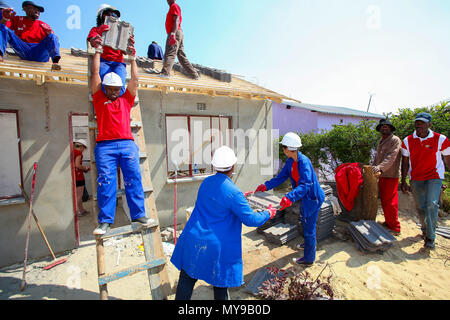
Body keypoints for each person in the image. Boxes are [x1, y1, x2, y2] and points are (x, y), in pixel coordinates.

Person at [171, 146, 277, 300]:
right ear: (233, 167)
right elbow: (251, 220)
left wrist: (240, 199)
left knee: (187, 278)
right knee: (220, 284)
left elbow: (216, 202)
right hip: (215, 247)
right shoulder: (234, 193)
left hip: (193, 239)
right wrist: (268, 213)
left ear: (214, 166)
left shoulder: (206, 183)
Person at [90, 35, 151, 236]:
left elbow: (135, 80)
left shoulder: (126, 99)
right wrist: (98, 51)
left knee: (133, 179)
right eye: (111, 90)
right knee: (106, 182)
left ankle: (139, 214)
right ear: (105, 89)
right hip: (105, 147)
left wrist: (133, 59)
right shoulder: (99, 98)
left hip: (127, 145)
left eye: (117, 89)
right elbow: (96, 73)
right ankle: (105, 221)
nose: (115, 93)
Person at [254, 132, 325, 266]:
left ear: (288, 148)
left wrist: (289, 197)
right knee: (306, 222)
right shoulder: (290, 161)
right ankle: (309, 244)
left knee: (309, 226)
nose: (283, 150)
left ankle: (309, 259)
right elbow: (281, 177)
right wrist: (266, 185)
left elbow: (306, 184)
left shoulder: (304, 162)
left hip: (312, 198)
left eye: (284, 147)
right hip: (305, 196)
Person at [401, 112, 450, 249]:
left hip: (434, 176)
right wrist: (403, 180)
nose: (419, 125)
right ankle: (425, 229)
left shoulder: (441, 139)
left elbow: (447, 159)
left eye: (422, 123)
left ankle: (430, 238)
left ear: (429, 124)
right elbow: (405, 162)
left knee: (431, 204)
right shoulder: (407, 141)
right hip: (416, 177)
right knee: (420, 206)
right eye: (417, 123)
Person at [0, 1, 61, 70]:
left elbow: (53, 40)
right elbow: (3, 29)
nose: (38, 12)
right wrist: (5, 19)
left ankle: (55, 63)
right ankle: (0, 55)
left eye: (39, 11)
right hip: (24, 49)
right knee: (3, 28)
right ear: (26, 9)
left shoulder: (43, 25)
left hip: (38, 51)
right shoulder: (17, 19)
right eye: (35, 9)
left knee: (52, 36)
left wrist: (50, 33)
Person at [87, 4, 127, 96]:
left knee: (120, 89)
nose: (111, 16)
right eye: (108, 13)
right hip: (103, 61)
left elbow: (125, 51)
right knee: (104, 87)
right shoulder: (96, 29)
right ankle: (106, 106)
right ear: (101, 16)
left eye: (114, 14)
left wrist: (129, 43)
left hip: (118, 62)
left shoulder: (120, 32)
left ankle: (116, 107)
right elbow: (92, 41)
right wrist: (98, 37)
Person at [372, 119, 402, 234]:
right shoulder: (381, 140)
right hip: (382, 175)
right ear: (380, 129)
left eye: (387, 126)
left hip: (391, 175)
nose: (384, 128)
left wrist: (379, 167)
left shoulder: (395, 140)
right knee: (385, 200)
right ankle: (389, 222)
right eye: (382, 126)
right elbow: (377, 157)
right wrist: (373, 167)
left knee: (390, 202)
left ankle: (395, 227)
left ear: (391, 128)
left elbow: (391, 157)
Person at [159, 0, 199, 79]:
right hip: (178, 32)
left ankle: (165, 73)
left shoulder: (174, 6)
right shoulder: (172, 7)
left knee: (170, 52)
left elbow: (176, 19)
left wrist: (173, 33)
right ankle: (194, 75)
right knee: (181, 55)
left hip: (175, 32)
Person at [73, 139, 90, 217]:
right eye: (84, 148)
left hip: (73, 176)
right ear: (82, 147)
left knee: (75, 195)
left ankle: (81, 210)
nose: (83, 150)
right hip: (79, 177)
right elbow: (77, 165)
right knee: (79, 195)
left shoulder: (71, 152)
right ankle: (77, 212)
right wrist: (86, 168)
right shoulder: (78, 153)